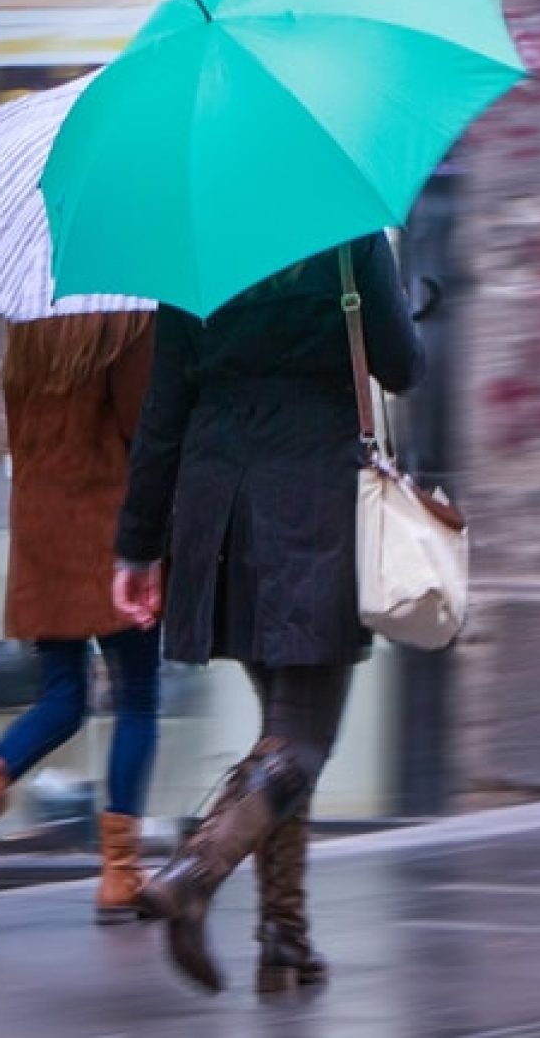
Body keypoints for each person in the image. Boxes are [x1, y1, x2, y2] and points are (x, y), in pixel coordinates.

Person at [113, 234, 424, 994]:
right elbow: (404, 367)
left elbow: (164, 408)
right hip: (314, 501)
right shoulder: (346, 236)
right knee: (305, 741)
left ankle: (285, 935)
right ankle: (195, 869)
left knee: (280, 741)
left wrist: (137, 548)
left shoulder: (189, 248)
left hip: (216, 509)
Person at [0, 310, 161, 922]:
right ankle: (119, 872)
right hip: (112, 528)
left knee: (64, 696)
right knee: (137, 700)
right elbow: (145, 430)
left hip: (40, 527)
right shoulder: (128, 319)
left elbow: (15, 432)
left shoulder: (27, 324)